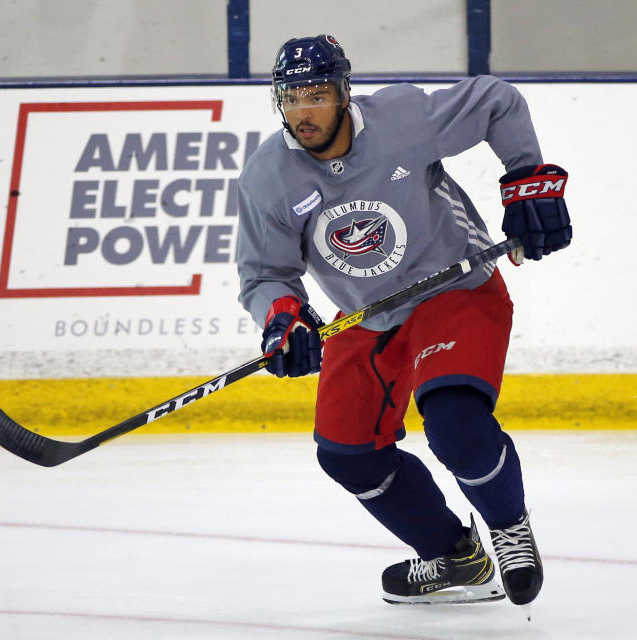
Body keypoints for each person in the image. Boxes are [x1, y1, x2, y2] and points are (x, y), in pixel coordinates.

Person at [235, 34, 571, 607]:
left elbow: (497, 100)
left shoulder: (403, 118)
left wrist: (524, 178)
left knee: (454, 424)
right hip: (367, 317)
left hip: (455, 289)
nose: (302, 112)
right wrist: (282, 318)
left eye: (315, 95)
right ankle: (454, 557)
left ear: (344, 92)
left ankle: (510, 526)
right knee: (346, 454)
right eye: (290, 98)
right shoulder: (268, 175)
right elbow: (264, 274)